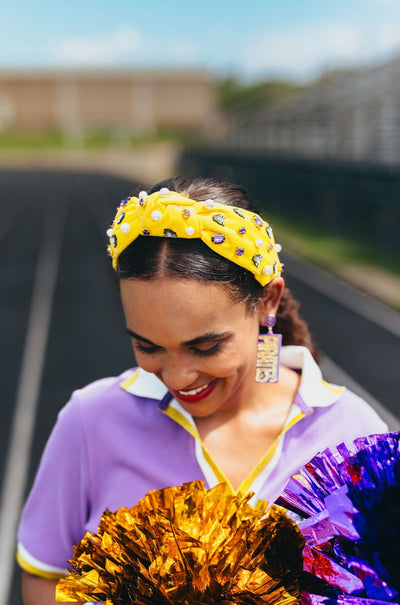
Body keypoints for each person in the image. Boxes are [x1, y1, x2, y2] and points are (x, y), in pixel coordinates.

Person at [17, 177, 387, 605]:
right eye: (148, 346)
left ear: (267, 301)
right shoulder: (90, 420)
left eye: (205, 346)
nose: (176, 377)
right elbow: (44, 576)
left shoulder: (354, 434)